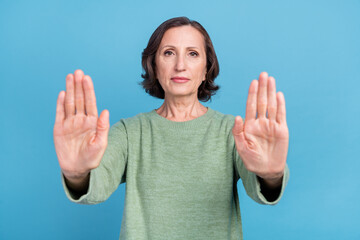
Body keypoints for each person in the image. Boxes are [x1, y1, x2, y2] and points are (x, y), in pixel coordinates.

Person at [54, 16, 289, 240]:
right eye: (169, 53)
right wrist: (77, 175)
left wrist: (271, 176)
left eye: (193, 54)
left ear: (207, 67)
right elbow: (96, 188)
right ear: (154, 64)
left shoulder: (232, 132)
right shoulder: (129, 132)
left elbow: (259, 188)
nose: (180, 65)